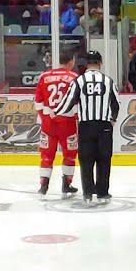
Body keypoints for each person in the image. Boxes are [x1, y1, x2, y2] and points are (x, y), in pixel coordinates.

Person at [53, 50, 120, 205]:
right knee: (104, 159)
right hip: (104, 126)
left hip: (85, 126)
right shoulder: (108, 80)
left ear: (86, 64)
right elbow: (116, 103)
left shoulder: (79, 81)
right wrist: (112, 119)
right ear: (100, 63)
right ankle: (102, 193)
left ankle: (88, 193)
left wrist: (55, 112)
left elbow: (68, 102)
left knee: (86, 160)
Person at [34, 48, 80, 199]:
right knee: (70, 154)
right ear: (71, 61)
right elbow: (78, 105)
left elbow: (38, 104)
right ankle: (66, 184)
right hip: (68, 123)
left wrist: (47, 117)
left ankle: (43, 186)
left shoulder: (44, 76)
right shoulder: (74, 77)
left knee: (46, 155)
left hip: (48, 124)